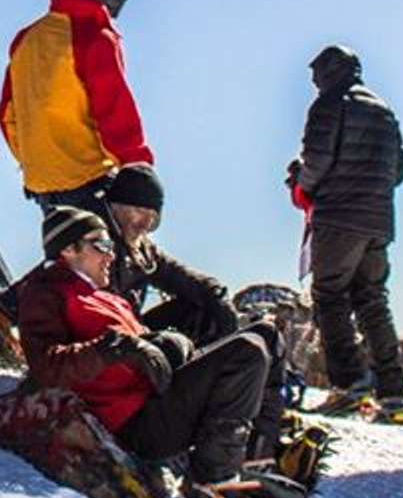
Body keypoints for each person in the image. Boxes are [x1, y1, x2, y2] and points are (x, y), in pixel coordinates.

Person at [17, 205, 296, 498]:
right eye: (101, 245)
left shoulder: (105, 297)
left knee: (266, 335)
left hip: (158, 396)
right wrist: (115, 348)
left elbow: (142, 344)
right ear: (68, 250)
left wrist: (167, 343)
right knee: (248, 352)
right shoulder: (45, 291)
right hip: (137, 423)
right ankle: (212, 478)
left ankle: (258, 457)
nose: (111, 255)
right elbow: (47, 365)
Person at [103, 164, 290, 461]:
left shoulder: (142, 250)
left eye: (152, 220)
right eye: (136, 213)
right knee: (245, 347)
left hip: (142, 338)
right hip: (125, 353)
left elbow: (188, 280)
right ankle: (216, 432)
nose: (142, 224)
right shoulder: (95, 245)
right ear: (115, 207)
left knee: (252, 328)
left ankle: (261, 441)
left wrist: (219, 305)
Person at [288, 45, 403, 421]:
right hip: (378, 220)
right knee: (373, 299)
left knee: (330, 297)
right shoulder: (385, 110)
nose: (313, 81)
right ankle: (393, 394)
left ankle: (349, 387)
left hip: (339, 216)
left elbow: (317, 161)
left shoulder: (329, 104)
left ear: (328, 71)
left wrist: (300, 182)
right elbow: (400, 170)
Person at [0, 0, 151, 218]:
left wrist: (37, 163)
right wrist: (137, 167)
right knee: (123, 257)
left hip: (45, 190)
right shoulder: (92, 34)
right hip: (92, 182)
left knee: (71, 258)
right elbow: (113, 108)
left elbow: (7, 113)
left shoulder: (27, 39)